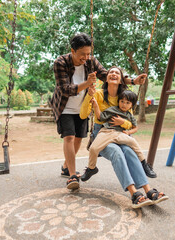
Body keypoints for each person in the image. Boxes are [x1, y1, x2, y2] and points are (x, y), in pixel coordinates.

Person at [50, 33, 147, 190]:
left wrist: (133, 81)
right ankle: (72, 176)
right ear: (72, 51)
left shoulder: (91, 60)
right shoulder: (60, 62)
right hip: (65, 106)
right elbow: (65, 89)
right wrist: (87, 83)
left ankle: (66, 165)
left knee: (78, 139)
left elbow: (105, 75)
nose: (86, 58)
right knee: (69, 136)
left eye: (88, 54)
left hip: (83, 106)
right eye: (83, 54)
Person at [80, 66, 167, 208]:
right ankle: (134, 193)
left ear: (121, 79)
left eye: (117, 72)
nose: (113, 74)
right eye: (110, 72)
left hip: (120, 133)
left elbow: (130, 124)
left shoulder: (125, 97)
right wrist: (89, 95)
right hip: (103, 133)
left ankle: (148, 190)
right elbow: (83, 115)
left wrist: (123, 122)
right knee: (117, 152)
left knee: (130, 152)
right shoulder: (98, 93)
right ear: (106, 78)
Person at [81, 90, 149, 182]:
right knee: (93, 148)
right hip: (106, 132)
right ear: (119, 101)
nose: (124, 104)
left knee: (133, 142)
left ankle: (144, 163)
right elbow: (100, 117)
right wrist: (96, 105)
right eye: (122, 101)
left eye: (127, 103)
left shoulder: (130, 115)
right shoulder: (113, 110)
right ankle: (91, 168)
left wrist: (129, 133)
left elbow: (135, 128)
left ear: (131, 105)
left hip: (120, 134)